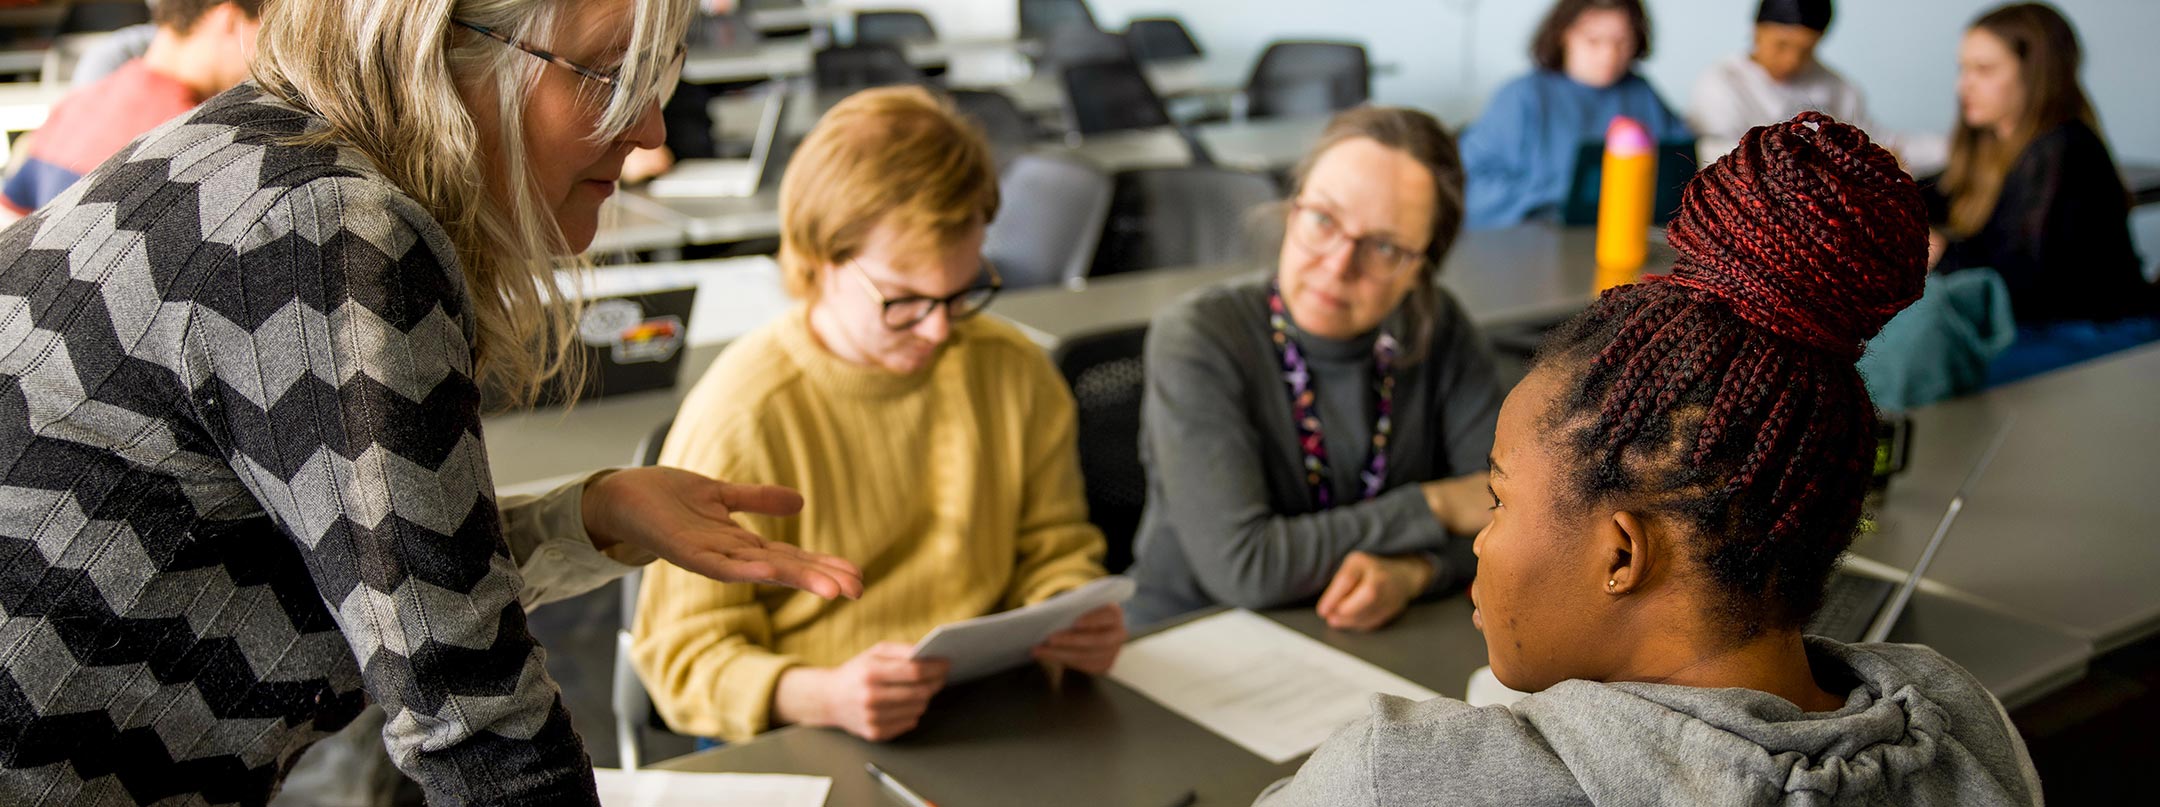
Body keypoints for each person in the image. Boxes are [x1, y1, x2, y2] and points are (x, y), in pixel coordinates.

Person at [0, 1, 866, 804]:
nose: (649, 128)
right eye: (610, 76)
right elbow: (478, 721)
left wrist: (588, 515)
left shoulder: (255, 157)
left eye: (658, 78)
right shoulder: (330, 231)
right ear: (443, 47)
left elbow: (379, 578)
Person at [1253, 112, 2043, 806]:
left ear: (1623, 553)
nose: (1482, 541)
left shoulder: (1407, 778)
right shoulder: (1964, 724)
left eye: (1499, 502)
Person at [631, 86, 1123, 745]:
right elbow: (684, 659)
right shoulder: (743, 414)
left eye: (963, 289)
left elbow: (1053, 546)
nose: (939, 328)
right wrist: (820, 694)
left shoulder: (1013, 369)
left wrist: (1071, 611)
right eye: (905, 299)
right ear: (819, 260)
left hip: (982, 708)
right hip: (806, 724)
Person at [1125, 106, 1502, 631]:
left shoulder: (1440, 327)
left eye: (1385, 247)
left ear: (1420, 270)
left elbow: (1513, 521)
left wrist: (1418, 570)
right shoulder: (1199, 336)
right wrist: (1434, 505)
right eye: (1323, 220)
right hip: (1196, 639)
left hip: (1363, 643)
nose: (1338, 264)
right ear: (1291, 209)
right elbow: (1246, 566)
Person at [1926, 2, 2156, 385]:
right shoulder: (1988, 148)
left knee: (1940, 371)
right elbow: (1938, 194)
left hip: (2098, 332)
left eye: (1983, 70)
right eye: (1963, 69)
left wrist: (1943, 253)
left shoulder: (2064, 149)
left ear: (2035, 74)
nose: (1962, 85)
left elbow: (2026, 287)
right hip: (2045, 325)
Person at [2, 0, 261, 216]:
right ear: (229, 20)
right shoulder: (197, 133)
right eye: (267, 28)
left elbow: (12, 216)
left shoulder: (78, 104)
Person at [1458, 0, 1691, 230]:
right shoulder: (1523, 97)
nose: (1608, 54)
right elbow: (1470, 187)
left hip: (1630, 241)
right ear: (1563, 35)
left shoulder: (1642, 94)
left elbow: (1685, 169)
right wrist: (1555, 194)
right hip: (1538, 246)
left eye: (1621, 41)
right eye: (1593, 40)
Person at [1687, 0, 1866, 163]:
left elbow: (1875, 143)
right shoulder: (1721, 84)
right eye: (1782, 45)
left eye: (1806, 51)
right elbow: (1714, 157)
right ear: (1757, 32)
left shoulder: (1839, 89)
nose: (1792, 60)